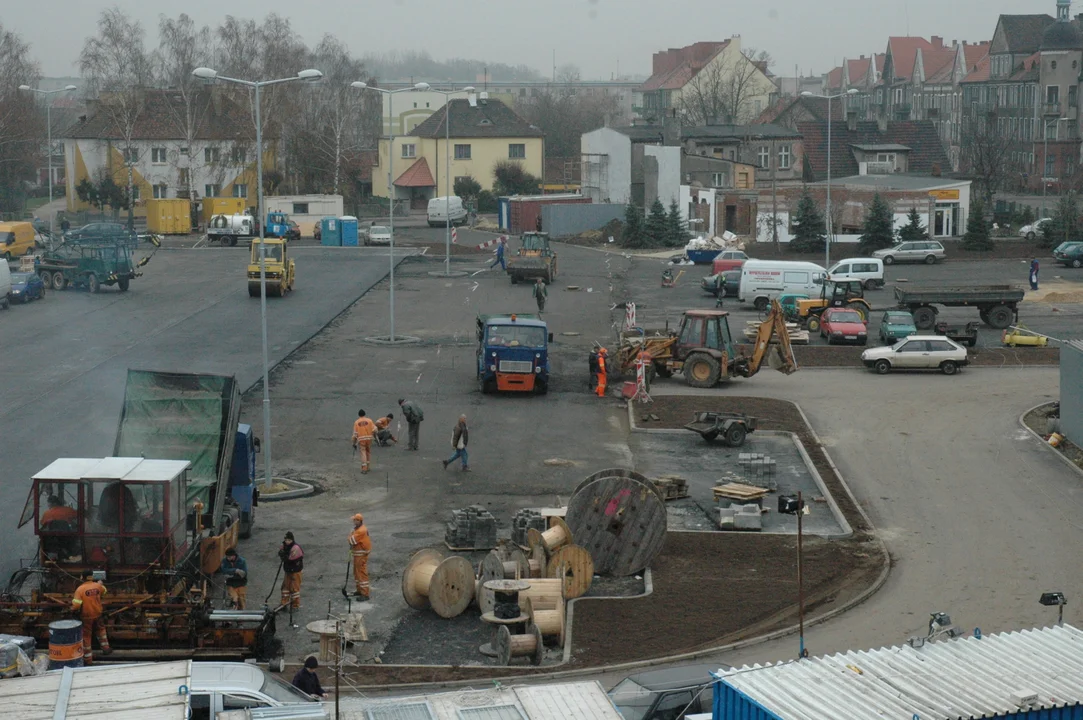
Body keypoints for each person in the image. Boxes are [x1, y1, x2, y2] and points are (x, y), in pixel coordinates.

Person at [71, 570, 110, 664]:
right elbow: (104, 591)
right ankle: (106, 649)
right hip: (98, 613)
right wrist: (100, 584)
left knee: (86, 636)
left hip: (86, 616)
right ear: (92, 577)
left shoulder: (80, 589)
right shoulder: (97, 586)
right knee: (101, 631)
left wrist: (71, 608)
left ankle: (88, 659)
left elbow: (76, 605)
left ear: (82, 577)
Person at [348, 513, 372, 600]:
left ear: (359, 521)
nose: (353, 521)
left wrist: (351, 534)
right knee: (357, 572)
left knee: (361, 573)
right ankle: (359, 590)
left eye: (355, 520)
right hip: (358, 554)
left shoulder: (360, 531)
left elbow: (351, 540)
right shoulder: (359, 529)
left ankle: (365, 594)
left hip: (361, 555)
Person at [278, 532, 304, 610]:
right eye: (286, 540)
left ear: (292, 540)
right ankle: (284, 603)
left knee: (295, 589)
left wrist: (284, 556)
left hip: (295, 571)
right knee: (285, 588)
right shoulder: (284, 547)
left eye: (289, 540)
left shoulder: (296, 548)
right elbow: (281, 553)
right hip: (288, 570)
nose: (287, 541)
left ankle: (295, 605)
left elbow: (290, 558)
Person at [351, 409, 377, 474]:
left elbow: (355, 434)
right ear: (365, 414)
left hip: (361, 439)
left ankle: (364, 468)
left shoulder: (356, 422)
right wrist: (374, 435)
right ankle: (368, 467)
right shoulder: (369, 420)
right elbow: (375, 429)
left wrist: (354, 443)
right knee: (368, 452)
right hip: (369, 438)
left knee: (363, 453)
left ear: (359, 415)